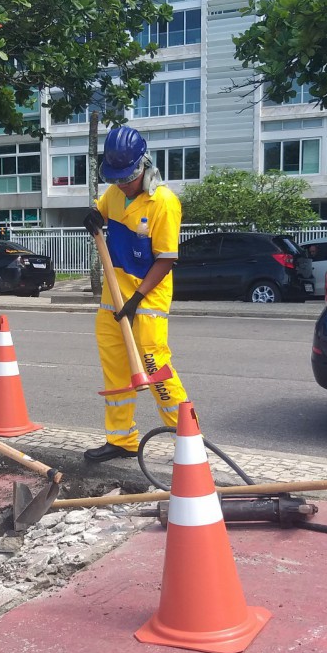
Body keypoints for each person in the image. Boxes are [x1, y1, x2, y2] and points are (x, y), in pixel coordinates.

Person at [82, 126, 189, 462]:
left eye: (127, 176)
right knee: (115, 371)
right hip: (113, 299)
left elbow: (166, 260)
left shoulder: (164, 203)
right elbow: (101, 212)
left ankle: (189, 441)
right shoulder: (114, 194)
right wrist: (92, 218)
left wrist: (137, 299)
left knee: (157, 371)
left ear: (144, 164)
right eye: (117, 177)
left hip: (147, 300)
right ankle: (122, 440)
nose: (123, 183)